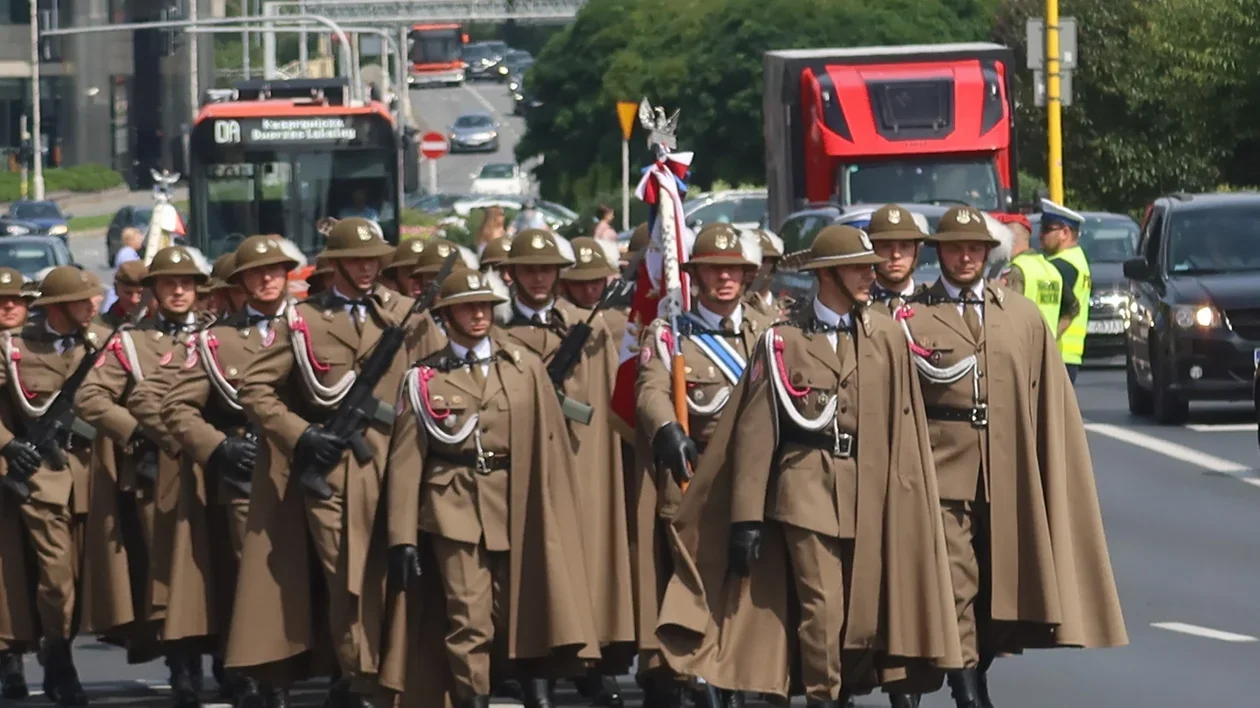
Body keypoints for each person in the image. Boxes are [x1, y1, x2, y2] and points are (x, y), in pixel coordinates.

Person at [653, 225, 961, 708]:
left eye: (871, 268)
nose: (870, 276)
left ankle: (844, 686)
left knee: (863, 611)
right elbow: (757, 433)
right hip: (805, 490)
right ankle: (825, 697)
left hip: (869, 488)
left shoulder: (883, 335)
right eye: (859, 268)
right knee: (823, 609)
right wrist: (746, 518)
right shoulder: (783, 338)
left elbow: (904, 422)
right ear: (828, 275)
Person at [899, 206, 1127, 708]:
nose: (965, 256)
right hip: (941, 469)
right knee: (955, 581)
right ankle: (967, 692)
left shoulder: (1018, 314)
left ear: (989, 253)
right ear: (938, 252)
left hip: (1005, 468)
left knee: (992, 586)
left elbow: (1046, 397)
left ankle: (976, 669)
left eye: (974, 248)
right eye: (955, 247)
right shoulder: (911, 314)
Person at [376, 268, 601, 708]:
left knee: (518, 610)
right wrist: (401, 537)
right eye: (468, 306)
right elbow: (405, 462)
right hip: (452, 506)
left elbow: (550, 443)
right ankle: (471, 698)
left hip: (516, 503)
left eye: (485, 306)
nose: (479, 314)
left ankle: (523, 689)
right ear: (446, 314)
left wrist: (557, 513)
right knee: (469, 619)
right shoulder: (424, 378)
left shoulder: (525, 368)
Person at [230, 218, 408, 707]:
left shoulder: (405, 315)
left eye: (374, 259)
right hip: (332, 480)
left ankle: (390, 675)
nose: (367, 268)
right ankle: (363, 680)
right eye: (356, 259)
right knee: (347, 585)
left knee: (395, 580)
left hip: (396, 470)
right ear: (334, 264)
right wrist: (303, 436)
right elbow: (254, 388)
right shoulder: (303, 321)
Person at [634, 223, 777, 707]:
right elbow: (650, 389)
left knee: (747, 586)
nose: (724, 278)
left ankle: (738, 677)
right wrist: (667, 428)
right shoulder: (671, 334)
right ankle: (704, 682)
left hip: (754, 483)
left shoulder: (767, 331)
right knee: (700, 587)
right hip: (696, 480)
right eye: (714, 269)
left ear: (746, 275)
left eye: (733, 270)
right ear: (696, 275)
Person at [159, 235, 298, 708]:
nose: (266, 279)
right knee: (254, 581)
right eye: (256, 273)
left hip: (313, 471)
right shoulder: (215, 341)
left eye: (276, 270)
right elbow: (177, 407)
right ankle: (259, 676)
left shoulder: (313, 327)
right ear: (238, 284)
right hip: (247, 473)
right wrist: (217, 448)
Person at [499, 229, 634, 706]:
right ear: (509, 274)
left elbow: (617, 393)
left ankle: (589, 663)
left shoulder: (590, 327)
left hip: (582, 460)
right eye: (529, 269)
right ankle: (535, 674)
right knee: (534, 568)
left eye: (547, 269)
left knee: (587, 563)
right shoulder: (496, 333)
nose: (539, 278)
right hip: (521, 467)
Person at [75, 246, 212, 706]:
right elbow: (92, 398)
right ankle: (183, 664)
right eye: (169, 282)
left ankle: (236, 665)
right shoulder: (132, 342)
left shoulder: (218, 335)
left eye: (187, 282)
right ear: (153, 290)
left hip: (218, 465)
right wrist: (137, 436)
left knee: (227, 565)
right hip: (162, 470)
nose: (179, 290)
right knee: (172, 573)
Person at [0, 266, 111, 707]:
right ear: (58, 306)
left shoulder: (101, 341)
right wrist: (9, 446)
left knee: (85, 577)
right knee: (56, 578)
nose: (94, 306)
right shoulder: (17, 348)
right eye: (84, 300)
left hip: (93, 476)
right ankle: (60, 661)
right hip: (41, 478)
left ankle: (54, 646)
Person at [0, 266, 39, 700]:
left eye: (17, 300)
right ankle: (10, 662)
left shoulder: (40, 346)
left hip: (39, 471)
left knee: (48, 571)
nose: (9, 306)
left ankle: (56, 654)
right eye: (1, 300)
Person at [996, 213, 1075, 338]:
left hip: (1022, 350)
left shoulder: (1015, 271)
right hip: (1044, 351)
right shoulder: (1050, 268)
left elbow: (1002, 314)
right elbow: (1073, 308)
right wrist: (1052, 338)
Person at [1039, 199, 1091, 383]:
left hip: (1057, 353)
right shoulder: (1077, 259)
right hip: (1068, 355)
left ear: (1065, 233)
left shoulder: (1061, 266)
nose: (1040, 235)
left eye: (1047, 229)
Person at [866, 204, 929, 313]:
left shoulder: (935, 303)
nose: (896, 255)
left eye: (905, 246)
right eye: (886, 246)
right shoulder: (856, 306)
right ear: (872, 250)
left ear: (917, 250)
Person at [744, 227, 793, 320]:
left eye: (761, 259)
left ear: (774, 266)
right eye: (747, 261)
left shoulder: (789, 314)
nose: (754, 266)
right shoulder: (728, 312)